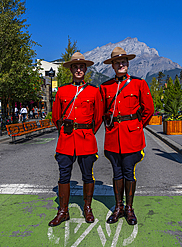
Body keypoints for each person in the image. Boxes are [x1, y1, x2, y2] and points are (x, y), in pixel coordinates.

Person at [99, 47, 154, 226]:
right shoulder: (106, 86)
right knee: (117, 173)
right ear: (113, 66)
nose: (121, 64)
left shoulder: (139, 84)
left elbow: (149, 109)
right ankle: (118, 207)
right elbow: (101, 112)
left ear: (128, 64)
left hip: (131, 135)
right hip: (113, 135)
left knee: (129, 172)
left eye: (123, 62)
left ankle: (129, 209)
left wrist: (137, 126)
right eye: (117, 62)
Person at [49, 52, 103, 227]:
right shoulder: (63, 91)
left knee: (88, 175)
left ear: (85, 69)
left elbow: (99, 117)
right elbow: (56, 116)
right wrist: (66, 130)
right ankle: (63, 211)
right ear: (71, 69)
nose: (78, 69)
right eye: (75, 66)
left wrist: (86, 131)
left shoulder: (94, 92)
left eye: (81, 67)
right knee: (64, 175)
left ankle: (87, 208)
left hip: (86, 139)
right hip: (66, 139)